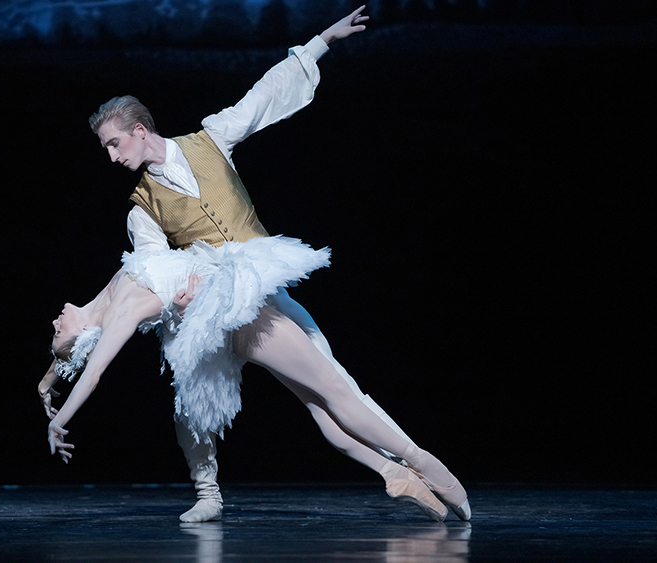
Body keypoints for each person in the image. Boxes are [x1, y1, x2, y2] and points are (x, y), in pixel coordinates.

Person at [68, 5, 471, 523]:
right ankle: (208, 492)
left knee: (328, 398)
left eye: (114, 143)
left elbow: (264, 96)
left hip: (259, 283)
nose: (111, 156)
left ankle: (398, 471)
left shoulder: (211, 138)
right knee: (192, 398)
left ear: (141, 130)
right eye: (105, 148)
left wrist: (323, 39)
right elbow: (152, 267)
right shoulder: (141, 209)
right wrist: (179, 291)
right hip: (214, 307)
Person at [36, 236, 471, 522]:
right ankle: (422, 462)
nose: (55, 320)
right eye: (58, 331)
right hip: (236, 320)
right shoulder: (119, 315)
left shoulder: (106, 297)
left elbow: (73, 355)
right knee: (335, 392)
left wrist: (47, 382)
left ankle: (396, 474)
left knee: (323, 408)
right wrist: (60, 420)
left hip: (223, 320)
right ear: (81, 335)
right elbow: (92, 370)